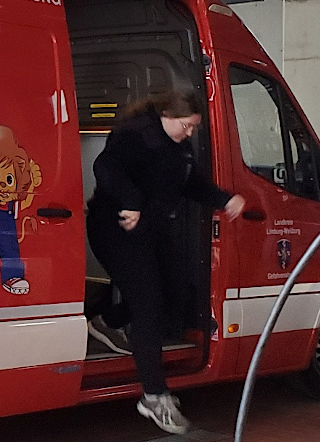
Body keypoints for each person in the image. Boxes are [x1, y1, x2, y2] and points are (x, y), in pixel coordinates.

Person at [86, 90, 245, 435]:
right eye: (186, 126)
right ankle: (154, 397)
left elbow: (189, 184)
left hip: (151, 228)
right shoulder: (134, 134)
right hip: (116, 228)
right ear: (167, 116)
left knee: (176, 289)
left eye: (193, 128)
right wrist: (131, 203)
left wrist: (225, 199)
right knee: (148, 304)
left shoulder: (179, 147)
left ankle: (107, 320)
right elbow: (106, 168)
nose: (190, 133)